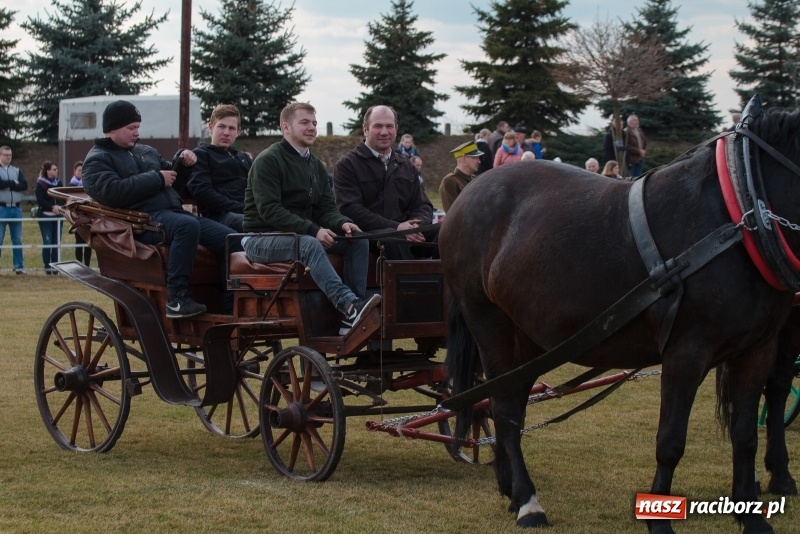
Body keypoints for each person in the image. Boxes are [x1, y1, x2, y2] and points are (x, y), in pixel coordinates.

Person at [82, 99, 235, 318]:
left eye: (137, 127)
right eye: (131, 128)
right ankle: (177, 299)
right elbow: (111, 192)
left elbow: (173, 179)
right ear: (112, 129)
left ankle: (228, 303)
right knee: (187, 225)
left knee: (228, 238)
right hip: (142, 221)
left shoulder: (146, 151)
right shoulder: (97, 160)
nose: (137, 133)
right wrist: (155, 178)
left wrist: (183, 164)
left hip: (170, 214)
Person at [242, 102, 380, 336]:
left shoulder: (315, 165)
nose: (312, 128)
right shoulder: (268, 160)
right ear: (286, 127)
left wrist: (341, 222)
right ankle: (349, 305)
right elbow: (269, 210)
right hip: (261, 238)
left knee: (358, 239)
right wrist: (313, 229)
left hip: (299, 234)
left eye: (314, 123)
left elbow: (326, 208)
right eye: (304, 122)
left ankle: (353, 314)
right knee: (309, 243)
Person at [333, 104, 437, 260]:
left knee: (446, 232)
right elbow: (350, 209)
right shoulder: (348, 164)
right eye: (378, 126)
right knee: (393, 239)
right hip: (369, 235)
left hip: (406, 232)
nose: (384, 132)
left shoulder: (407, 165)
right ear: (365, 129)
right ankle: (405, 284)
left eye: (389, 126)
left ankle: (443, 284)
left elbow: (422, 204)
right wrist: (396, 228)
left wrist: (417, 225)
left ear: (396, 129)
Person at [188, 104, 252, 232]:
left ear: (238, 131)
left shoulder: (243, 157)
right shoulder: (201, 155)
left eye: (232, 128)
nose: (226, 133)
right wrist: (243, 208)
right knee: (262, 224)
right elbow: (204, 193)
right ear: (211, 127)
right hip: (220, 217)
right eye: (221, 126)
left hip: (247, 213)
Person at [0, 145, 27, 274]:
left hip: (16, 209)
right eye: (5, 155)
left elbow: (24, 185)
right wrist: (12, 183)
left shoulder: (17, 170)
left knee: (17, 239)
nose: (8, 157)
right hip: (2, 208)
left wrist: (7, 185)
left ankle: (19, 267)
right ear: (0, 155)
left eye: (10, 155)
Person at [35, 161, 63, 275]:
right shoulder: (41, 184)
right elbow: (40, 199)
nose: (56, 171)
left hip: (58, 217)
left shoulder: (59, 183)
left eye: (57, 169)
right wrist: (52, 207)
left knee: (56, 242)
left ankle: (55, 267)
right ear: (48, 171)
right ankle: (47, 267)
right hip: (46, 216)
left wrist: (59, 207)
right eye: (54, 169)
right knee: (48, 242)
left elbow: (62, 197)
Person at [439, 141, 483, 213]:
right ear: (464, 159)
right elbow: (452, 214)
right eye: (475, 158)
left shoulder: (475, 179)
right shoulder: (450, 181)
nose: (479, 161)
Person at [68, 160, 91, 267]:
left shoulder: (88, 185)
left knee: (88, 242)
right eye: (79, 170)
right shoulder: (71, 185)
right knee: (78, 241)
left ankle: (87, 265)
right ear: (75, 171)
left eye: (82, 170)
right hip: (77, 216)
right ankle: (79, 264)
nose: (80, 172)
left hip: (87, 216)